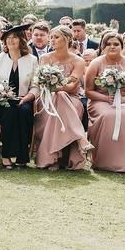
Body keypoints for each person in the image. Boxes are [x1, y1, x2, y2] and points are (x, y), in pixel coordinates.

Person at [84, 31, 125, 173]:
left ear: (121, 46)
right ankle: (104, 160)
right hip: (100, 100)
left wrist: (122, 100)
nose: (112, 47)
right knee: (108, 115)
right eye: (108, 44)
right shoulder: (96, 63)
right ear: (103, 46)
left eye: (116, 44)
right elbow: (88, 91)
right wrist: (105, 98)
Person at [33, 25, 94, 170]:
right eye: (52, 37)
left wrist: (57, 87)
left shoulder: (77, 60)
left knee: (61, 96)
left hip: (72, 99)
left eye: (56, 37)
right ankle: (80, 138)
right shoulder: (44, 58)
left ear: (67, 39)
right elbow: (41, 84)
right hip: (47, 98)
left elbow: (72, 86)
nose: (52, 40)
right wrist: (55, 88)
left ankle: (53, 158)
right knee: (58, 96)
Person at [0, 24, 38, 168]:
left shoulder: (32, 60)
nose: (11, 40)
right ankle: (6, 155)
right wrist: (1, 95)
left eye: (14, 37)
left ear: (21, 40)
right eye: (8, 38)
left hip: (24, 99)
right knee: (10, 112)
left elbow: (36, 86)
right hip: (2, 101)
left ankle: (22, 156)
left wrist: (28, 97)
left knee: (23, 112)